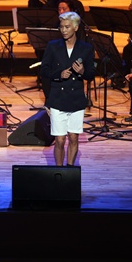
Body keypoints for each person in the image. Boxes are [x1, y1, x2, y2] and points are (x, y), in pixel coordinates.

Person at [41, 12, 96, 166]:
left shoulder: (86, 49)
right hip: (58, 98)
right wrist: (59, 74)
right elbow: (44, 71)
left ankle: (70, 169)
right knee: (59, 139)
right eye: (61, 27)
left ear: (76, 28)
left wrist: (82, 72)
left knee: (73, 137)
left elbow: (91, 74)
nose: (63, 30)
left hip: (76, 99)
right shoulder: (53, 46)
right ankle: (59, 171)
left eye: (67, 27)